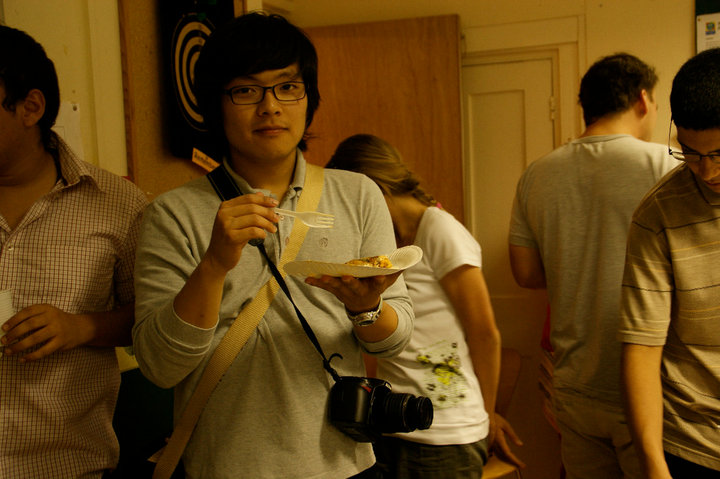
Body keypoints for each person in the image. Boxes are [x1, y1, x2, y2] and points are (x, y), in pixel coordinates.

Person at [131, 13, 413, 479]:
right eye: (245, 90)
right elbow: (160, 367)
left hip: (343, 464)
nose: (270, 107)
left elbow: (394, 341)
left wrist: (367, 307)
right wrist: (215, 265)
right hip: (224, 466)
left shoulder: (359, 194)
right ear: (215, 105)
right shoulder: (171, 214)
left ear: (309, 98)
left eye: (288, 87)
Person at [507, 53, 679, 478]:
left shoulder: (537, 175)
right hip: (649, 390)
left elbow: (526, 273)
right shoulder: (668, 166)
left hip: (574, 386)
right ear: (643, 99)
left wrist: (578, 264)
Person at [327, 134, 524, 478]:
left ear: (374, 189)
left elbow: (484, 334)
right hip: (395, 424)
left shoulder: (439, 229)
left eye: (352, 202)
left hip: (443, 437)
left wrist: (489, 415)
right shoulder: (392, 241)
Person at [0, 25, 147, 478]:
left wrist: (80, 326)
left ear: (31, 107)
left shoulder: (118, 206)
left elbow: (153, 320)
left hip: (62, 463)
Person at [619, 47, 720, 478]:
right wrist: (654, 463)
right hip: (694, 445)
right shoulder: (658, 215)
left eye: (719, 154)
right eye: (690, 152)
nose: (707, 171)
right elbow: (642, 349)